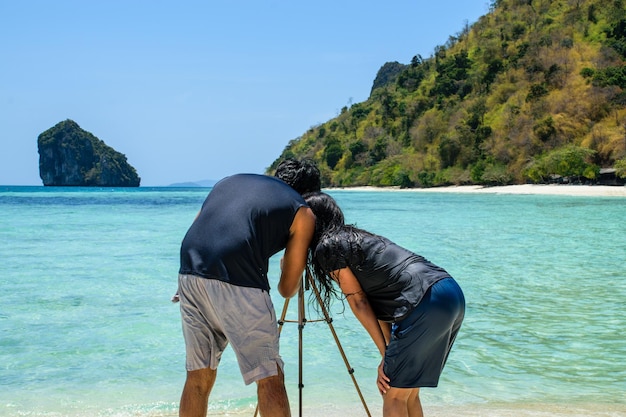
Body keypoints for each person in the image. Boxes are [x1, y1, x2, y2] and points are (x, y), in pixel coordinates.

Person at [175, 159, 320, 417]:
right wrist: (290, 265)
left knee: (198, 377)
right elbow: (287, 289)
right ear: (309, 193)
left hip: (189, 271)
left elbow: (200, 226)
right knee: (269, 377)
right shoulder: (302, 210)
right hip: (239, 280)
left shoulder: (229, 182)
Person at [303, 191, 464, 417]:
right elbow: (383, 302)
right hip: (448, 292)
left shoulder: (328, 247)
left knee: (393, 394)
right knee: (407, 393)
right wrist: (388, 355)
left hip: (423, 299)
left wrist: (386, 357)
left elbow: (358, 300)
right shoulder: (358, 238)